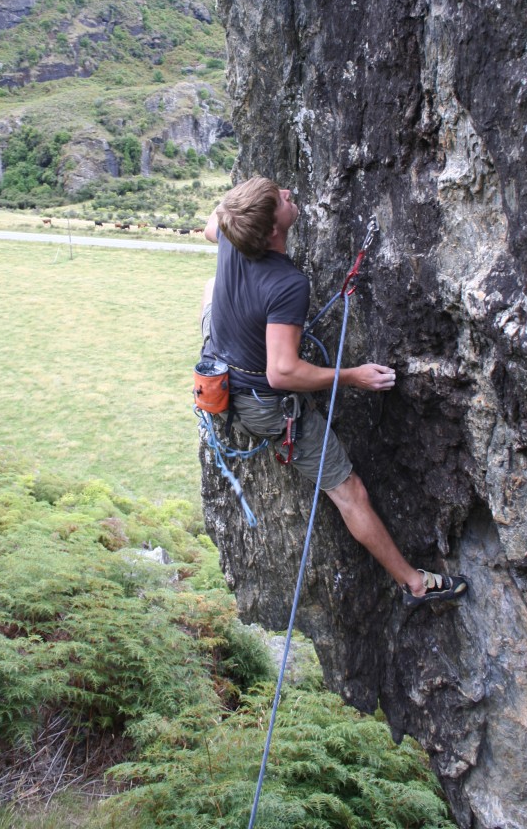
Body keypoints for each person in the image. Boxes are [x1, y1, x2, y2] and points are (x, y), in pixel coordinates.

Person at [200, 176, 468, 607]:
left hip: (219, 367)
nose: (290, 193)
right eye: (280, 199)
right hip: (260, 403)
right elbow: (282, 374)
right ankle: (415, 586)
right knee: (350, 492)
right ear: (271, 230)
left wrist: (239, 209)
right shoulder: (287, 284)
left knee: (213, 289)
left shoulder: (233, 236)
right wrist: (354, 375)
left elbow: (213, 225)